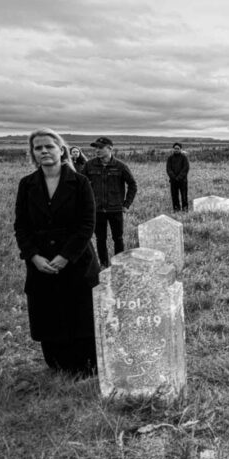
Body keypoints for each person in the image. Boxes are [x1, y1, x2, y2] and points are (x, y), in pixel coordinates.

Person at [15, 128, 100, 377]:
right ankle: (58, 367)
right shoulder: (27, 185)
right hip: (41, 263)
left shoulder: (80, 182)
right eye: (38, 148)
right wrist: (33, 256)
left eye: (49, 146)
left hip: (77, 261)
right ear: (33, 153)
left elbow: (87, 224)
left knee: (80, 313)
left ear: (60, 149)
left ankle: (87, 368)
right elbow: (21, 226)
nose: (44, 151)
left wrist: (65, 256)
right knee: (50, 314)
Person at [81, 136, 137, 267]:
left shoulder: (120, 166)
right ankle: (104, 265)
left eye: (100, 148)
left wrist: (126, 204)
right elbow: (81, 185)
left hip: (115, 209)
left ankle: (120, 264)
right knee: (100, 239)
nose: (97, 150)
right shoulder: (89, 165)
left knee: (118, 238)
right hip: (97, 209)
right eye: (96, 148)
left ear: (110, 148)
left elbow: (133, 185)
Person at [166, 142, 190, 212]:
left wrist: (179, 177)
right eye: (175, 148)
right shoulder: (170, 158)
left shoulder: (184, 158)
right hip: (173, 181)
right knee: (174, 196)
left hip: (183, 181)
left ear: (180, 149)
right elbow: (168, 169)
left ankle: (185, 210)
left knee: (184, 196)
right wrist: (173, 177)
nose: (176, 150)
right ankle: (176, 209)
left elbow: (186, 168)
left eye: (178, 149)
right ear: (173, 149)